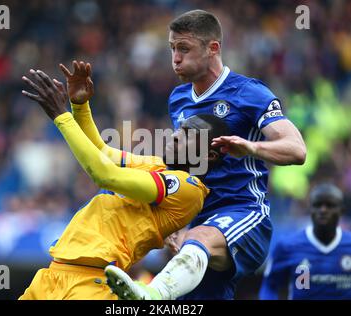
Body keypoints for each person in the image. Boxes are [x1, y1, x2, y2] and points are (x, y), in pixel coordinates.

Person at [105, 9, 306, 300]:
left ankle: (151, 296)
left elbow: (297, 149)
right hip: (200, 218)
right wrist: (177, 221)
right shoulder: (179, 99)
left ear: (213, 48)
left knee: (196, 242)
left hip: (244, 212)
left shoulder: (249, 93)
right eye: (172, 48)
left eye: (184, 48)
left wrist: (250, 147)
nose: (175, 58)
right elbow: (186, 166)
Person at [18, 61, 230, 299]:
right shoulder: (155, 166)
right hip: (53, 274)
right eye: (179, 130)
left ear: (210, 154)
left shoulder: (188, 190)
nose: (176, 136)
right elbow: (101, 153)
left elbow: (104, 174)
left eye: (189, 135)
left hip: (90, 284)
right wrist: (79, 105)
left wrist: (61, 116)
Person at [259, 183, 351, 300]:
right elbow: (269, 285)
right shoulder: (288, 246)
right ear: (310, 208)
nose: (323, 210)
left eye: (330, 205)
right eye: (317, 205)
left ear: (342, 210)